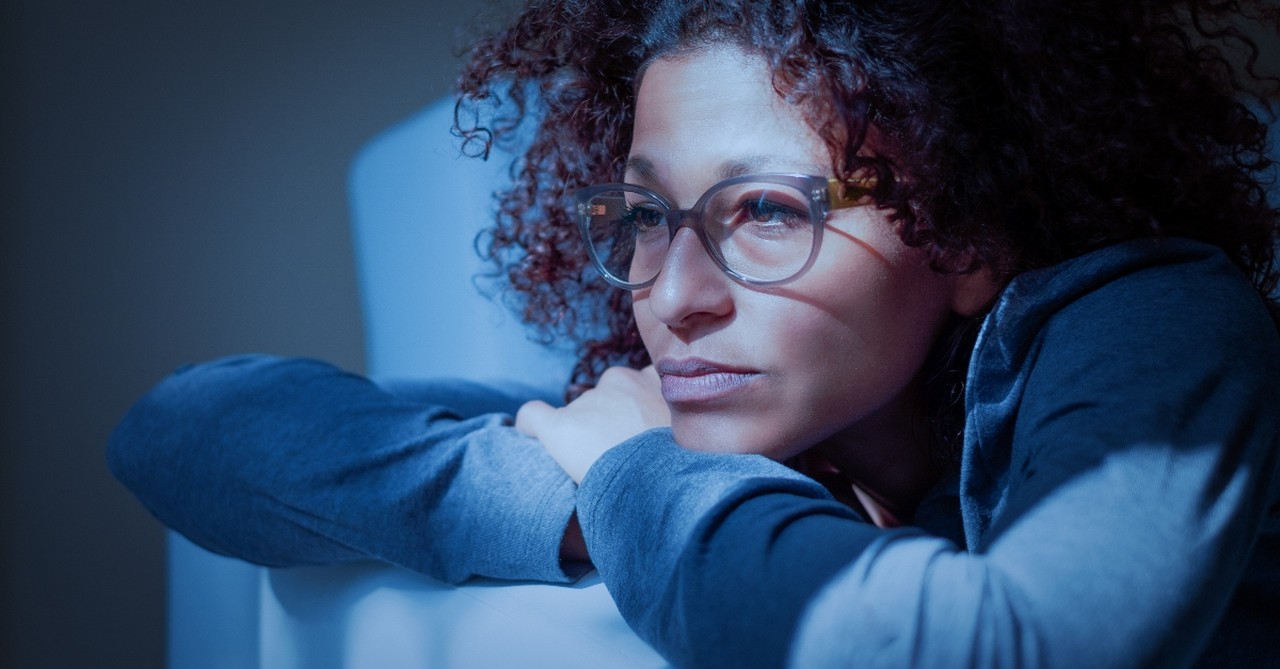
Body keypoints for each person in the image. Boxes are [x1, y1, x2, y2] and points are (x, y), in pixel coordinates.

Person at [109, 0, 1280, 667]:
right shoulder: (742, 407)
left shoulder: (1159, 320)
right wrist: (588, 491)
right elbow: (187, 428)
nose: (671, 298)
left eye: (765, 211)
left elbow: (1026, 650)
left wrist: (634, 479)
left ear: (965, 234)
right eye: (643, 218)